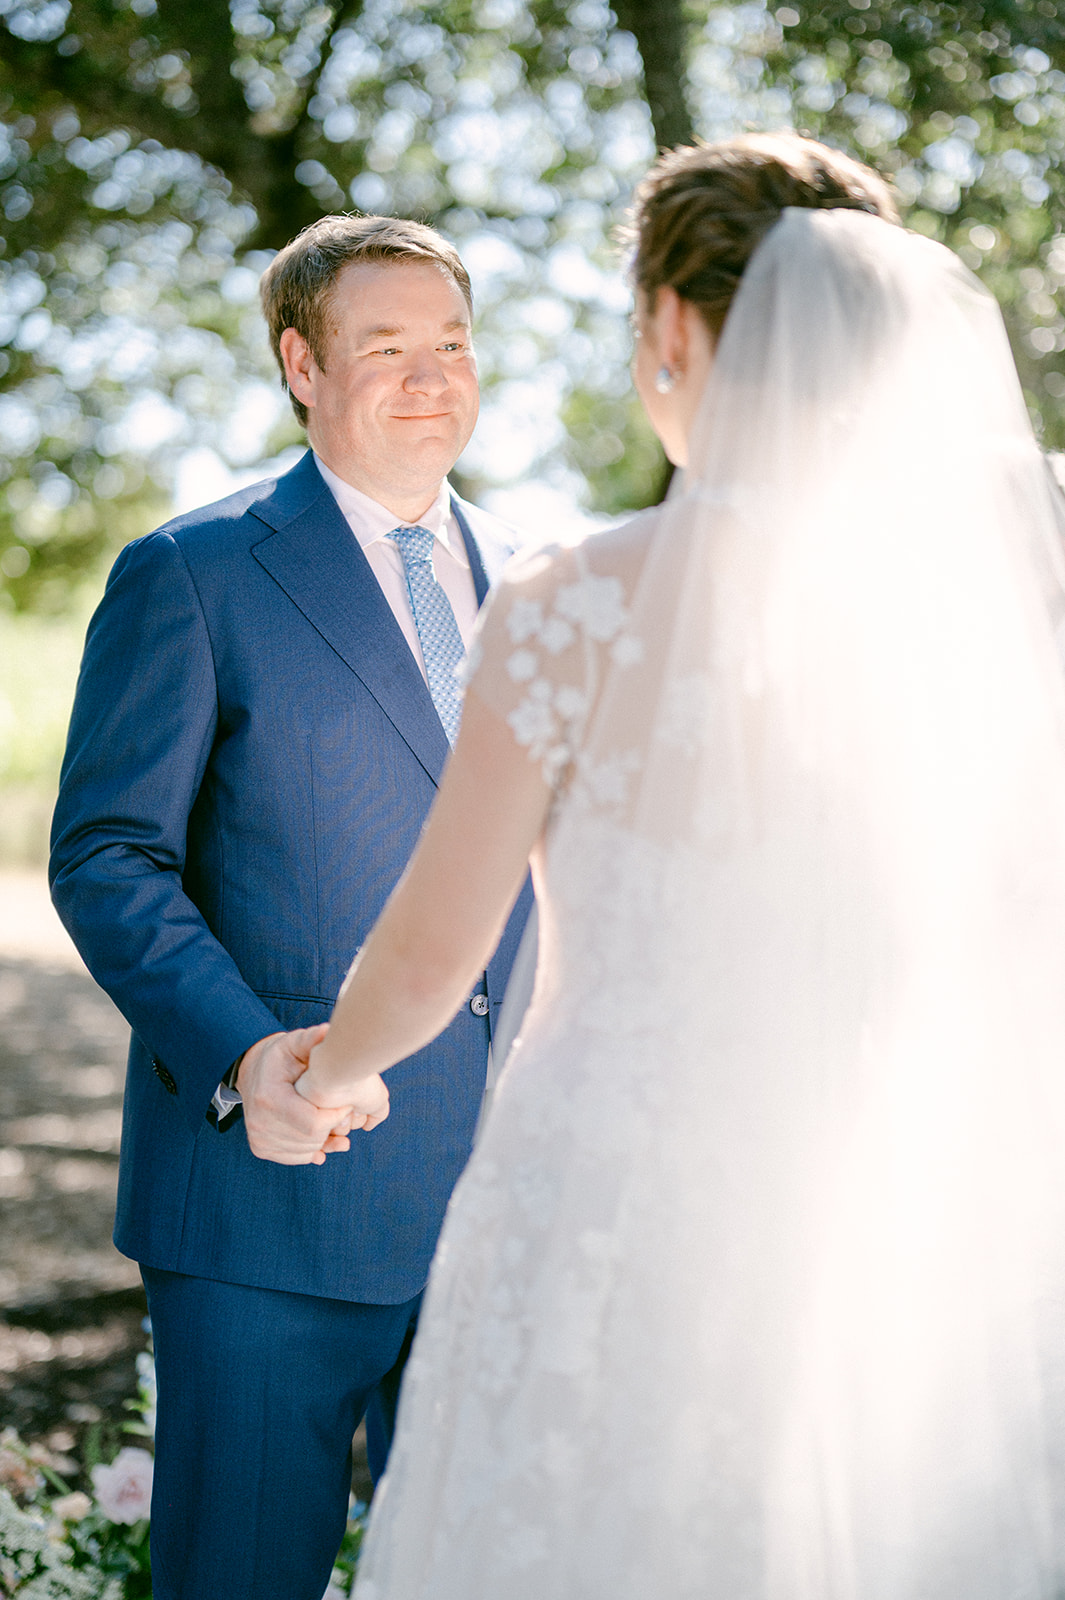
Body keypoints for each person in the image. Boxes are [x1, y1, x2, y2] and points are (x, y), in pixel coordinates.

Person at [288, 134, 1065, 1597]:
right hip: (900, 1168)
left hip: (618, 1192)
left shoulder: (572, 602)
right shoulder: (1006, 602)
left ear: (667, 328)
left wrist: (325, 1077)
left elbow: (432, 949)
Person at [48, 214, 532, 1600]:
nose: (431, 376)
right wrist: (249, 1058)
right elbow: (108, 855)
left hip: (511, 1201)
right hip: (274, 1199)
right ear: (301, 364)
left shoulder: (546, 584)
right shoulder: (192, 574)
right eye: (386, 348)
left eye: (451, 343)